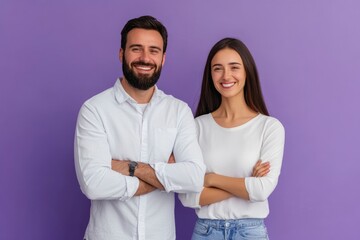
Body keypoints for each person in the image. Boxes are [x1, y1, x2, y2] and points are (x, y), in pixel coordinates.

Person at [74, 15, 205, 240]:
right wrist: (163, 176)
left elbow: (193, 178)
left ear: (163, 58)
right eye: (136, 48)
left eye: (154, 50)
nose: (145, 58)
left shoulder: (178, 111)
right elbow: (93, 183)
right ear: (121, 53)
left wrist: (131, 167)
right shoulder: (95, 110)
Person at [179, 38, 285, 239]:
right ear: (210, 75)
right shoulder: (196, 127)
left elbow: (262, 190)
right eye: (217, 68)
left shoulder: (269, 128)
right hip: (206, 232)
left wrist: (211, 179)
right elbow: (188, 196)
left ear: (247, 71)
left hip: (250, 232)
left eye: (234, 67)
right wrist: (246, 184)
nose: (226, 75)